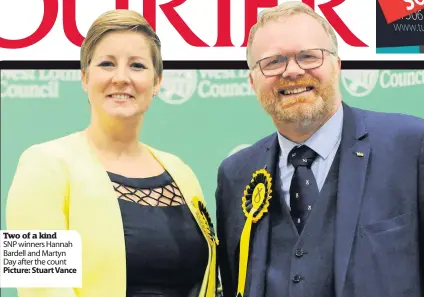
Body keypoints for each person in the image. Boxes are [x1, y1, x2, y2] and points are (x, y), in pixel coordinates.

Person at [215, 2, 424, 297]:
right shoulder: (235, 174)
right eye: (272, 62)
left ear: (337, 65)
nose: (292, 71)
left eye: (308, 56)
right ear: (252, 80)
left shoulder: (412, 146)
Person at [6, 9, 219, 297]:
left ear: (157, 82)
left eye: (137, 66)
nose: (121, 78)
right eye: (107, 64)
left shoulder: (180, 171)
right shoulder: (41, 164)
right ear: (84, 78)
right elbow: (39, 286)